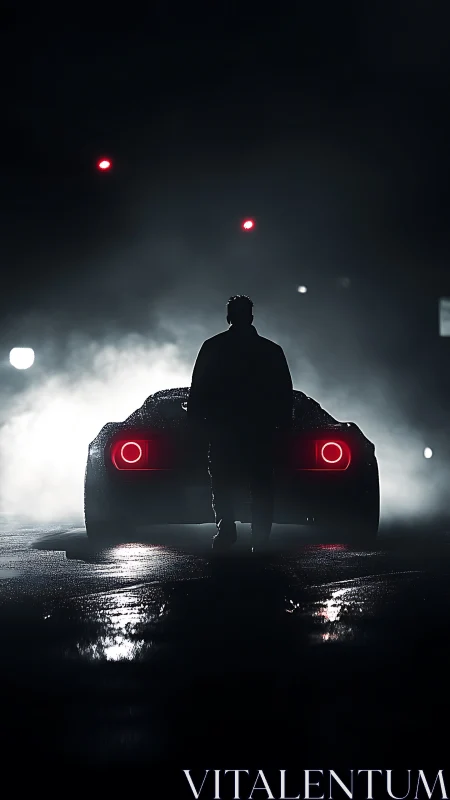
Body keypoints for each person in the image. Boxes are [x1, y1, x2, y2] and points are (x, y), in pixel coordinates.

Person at [187, 295, 293, 551]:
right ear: (251, 317)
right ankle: (260, 537)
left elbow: (198, 389)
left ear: (229, 317)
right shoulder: (270, 350)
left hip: (224, 429)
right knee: (261, 483)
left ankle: (227, 530)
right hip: (259, 429)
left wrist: (196, 423)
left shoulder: (213, 347)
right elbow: (283, 391)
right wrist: (283, 425)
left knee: (222, 481)